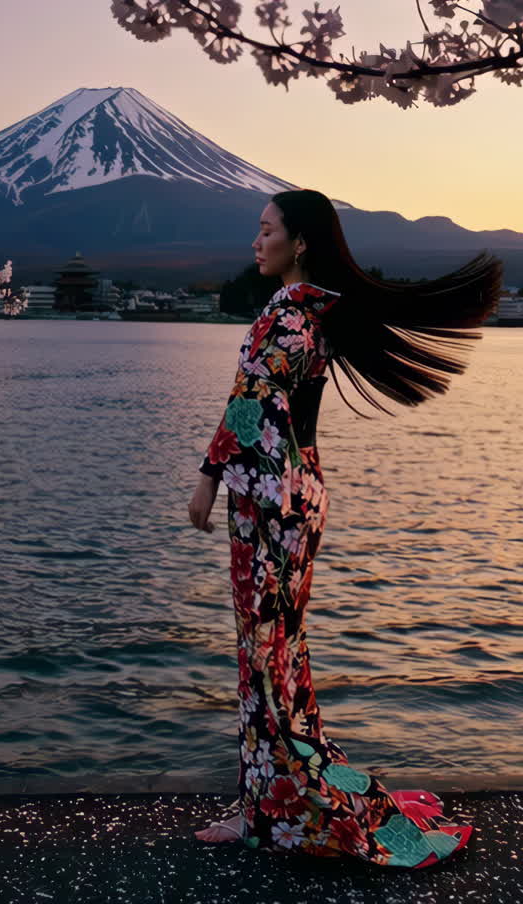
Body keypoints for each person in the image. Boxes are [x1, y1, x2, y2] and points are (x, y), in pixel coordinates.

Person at [188, 189, 502, 868]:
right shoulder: (313, 313)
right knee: (279, 661)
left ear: (299, 242)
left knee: (264, 663)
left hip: (271, 507)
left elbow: (250, 410)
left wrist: (208, 479)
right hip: (299, 498)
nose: (256, 240)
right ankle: (266, 802)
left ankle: (274, 811)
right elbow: (263, 410)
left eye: (266, 230)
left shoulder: (287, 322)